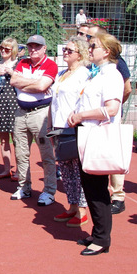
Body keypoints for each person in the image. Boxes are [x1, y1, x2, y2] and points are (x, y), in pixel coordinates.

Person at [68, 32, 125, 256]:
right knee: (90, 187)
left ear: (107, 51)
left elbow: (112, 109)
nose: (89, 49)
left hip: (97, 136)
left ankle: (102, 239)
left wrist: (81, 115)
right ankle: (97, 232)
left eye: (93, 46)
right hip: (86, 134)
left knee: (97, 188)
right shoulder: (97, 74)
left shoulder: (112, 75)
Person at [80, 23, 131, 214]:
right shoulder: (92, 67)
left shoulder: (115, 68)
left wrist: (111, 105)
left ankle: (117, 196)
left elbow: (124, 92)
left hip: (105, 125)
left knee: (110, 160)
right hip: (90, 127)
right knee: (94, 176)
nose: (88, 44)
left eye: (91, 41)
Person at [8, 34, 58, 205]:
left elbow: (42, 86)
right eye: (30, 46)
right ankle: (24, 187)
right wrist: (33, 83)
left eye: (37, 46)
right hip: (21, 112)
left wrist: (27, 83)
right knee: (21, 153)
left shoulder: (50, 65)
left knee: (46, 154)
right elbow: (13, 81)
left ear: (44, 48)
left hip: (41, 113)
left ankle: (49, 191)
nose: (33, 49)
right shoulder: (22, 63)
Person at [50, 36, 91, 227]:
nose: (65, 52)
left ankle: (82, 210)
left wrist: (78, 117)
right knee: (65, 170)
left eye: (69, 50)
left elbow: (85, 100)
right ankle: (72, 206)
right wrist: (51, 126)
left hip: (74, 128)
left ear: (80, 54)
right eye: (64, 49)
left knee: (78, 169)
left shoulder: (84, 74)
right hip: (59, 127)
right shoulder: (61, 74)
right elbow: (54, 101)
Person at [0, 37, 19, 180]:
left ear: (13, 50)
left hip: (14, 105)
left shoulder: (18, 64)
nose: (3, 51)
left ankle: (20, 170)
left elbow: (23, 81)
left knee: (17, 140)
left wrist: (12, 73)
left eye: (7, 49)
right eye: (2, 48)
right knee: (3, 140)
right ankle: (6, 169)